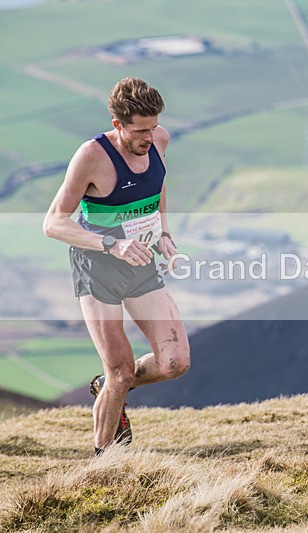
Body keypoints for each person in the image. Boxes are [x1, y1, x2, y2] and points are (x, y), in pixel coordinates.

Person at [43, 77, 190, 455]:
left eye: (154, 126)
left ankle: (110, 387)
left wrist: (165, 236)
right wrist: (111, 243)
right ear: (118, 124)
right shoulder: (91, 156)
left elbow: (155, 192)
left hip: (140, 261)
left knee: (175, 362)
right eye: (140, 130)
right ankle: (104, 459)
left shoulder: (159, 140)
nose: (149, 137)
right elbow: (54, 222)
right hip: (97, 269)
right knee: (120, 371)